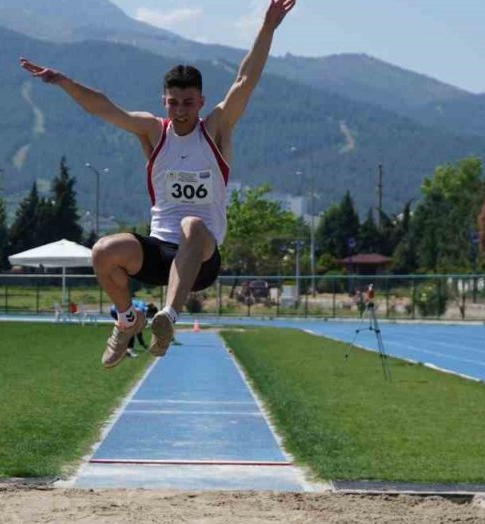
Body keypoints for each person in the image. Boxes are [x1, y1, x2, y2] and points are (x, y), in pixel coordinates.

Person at [19, 0, 296, 368]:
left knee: (192, 224)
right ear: (163, 102)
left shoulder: (215, 129)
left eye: (187, 103)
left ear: (201, 102)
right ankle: (125, 320)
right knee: (103, 250)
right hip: (159, 251)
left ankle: (168, 317)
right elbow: (105, 109)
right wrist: (66, 83)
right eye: (173, 103)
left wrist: (268, 27)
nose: (180, 111)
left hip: (202, 257)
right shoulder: (154, 131)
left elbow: (245, 81)